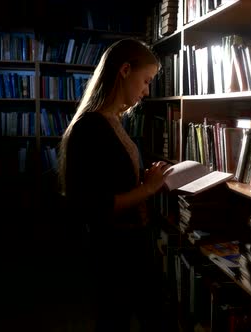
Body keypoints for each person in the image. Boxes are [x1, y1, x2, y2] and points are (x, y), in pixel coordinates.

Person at [58, 38, 170, 332]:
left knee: (145, 317)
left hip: (132, 242)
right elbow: (91, 204)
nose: (147, 90)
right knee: (116, 320)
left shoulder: (114, 121)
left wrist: (145, 179)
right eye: (145, 81)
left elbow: (114, 179)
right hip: (114, 248)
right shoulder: (90, 127)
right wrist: (147, 189)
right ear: (124, 70)